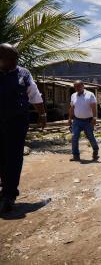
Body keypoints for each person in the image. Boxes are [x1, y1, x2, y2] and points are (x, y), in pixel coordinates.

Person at [0, 43, 46, 213]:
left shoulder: (23, 73)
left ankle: (9, 195)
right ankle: (5, 188)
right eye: (9, 59)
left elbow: (34, 95)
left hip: (17, 123)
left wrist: (42, 115)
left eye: (15, 59)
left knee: (13, 157)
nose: (14, 62)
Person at [68, 80, 99, 161]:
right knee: (74, 137)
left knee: (90, 137)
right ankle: (76, 155)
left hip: (88, 121)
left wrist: (94, 118)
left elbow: (94, 107)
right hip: (77, 120)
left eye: (78, 86)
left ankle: (95, 152)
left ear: (83, 86)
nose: (76, 88)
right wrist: (70, 118)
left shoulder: (90, 95)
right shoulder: (73, 95)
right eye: (75, 86)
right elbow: (72, 108)